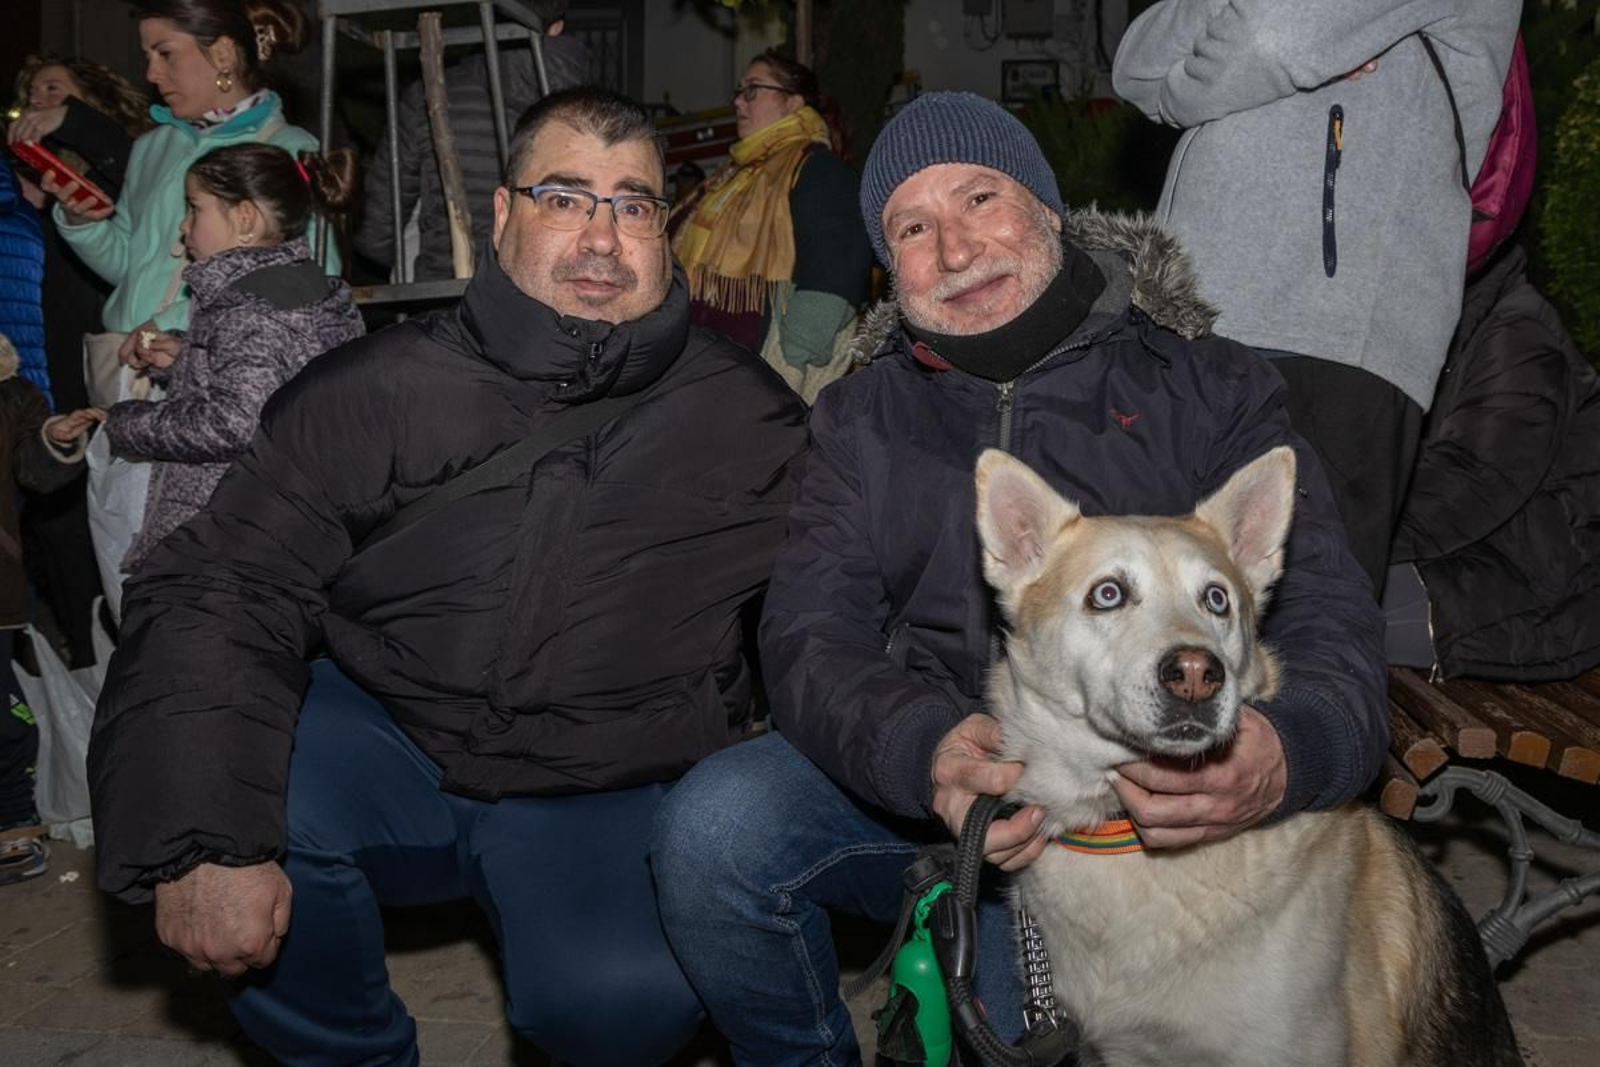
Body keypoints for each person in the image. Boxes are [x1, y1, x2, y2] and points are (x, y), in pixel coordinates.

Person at [651, 91, 1387, 1065]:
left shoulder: (1208, 389)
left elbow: (1333, 618)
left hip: (1137, 808)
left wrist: (1289, 749)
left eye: (980, 199)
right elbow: (806, 636)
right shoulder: (861, 418)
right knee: (713, 825)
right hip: (924, 784)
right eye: (913, 228)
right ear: (887, 265)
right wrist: (918, 745)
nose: (955, 251)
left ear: (1046, 208)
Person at [87, 88, 809, 1066]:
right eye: (564, 195)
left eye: (632, 203)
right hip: (396, 736)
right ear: (503, 213)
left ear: (662, 231)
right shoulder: (375, 390)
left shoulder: (747, 416)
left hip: (598, 773)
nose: (602, 233)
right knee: (245, 795)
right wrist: (203, 833)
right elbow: (221, 585)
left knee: (618, 1004)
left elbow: (840, 600)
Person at [1112, 0, 1523, 593]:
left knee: (1307, 624)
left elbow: (1273, 38)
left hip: (1327, 324)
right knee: (1173, 619)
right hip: (1197, 313)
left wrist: (1199, 77)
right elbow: (1135, 67)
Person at [33, 0, 338, 616]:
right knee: (124, 555)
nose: (150, 72)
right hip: (124, 373)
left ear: (223, 55)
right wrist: (80, 220)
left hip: (212, 382)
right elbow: (131, 266)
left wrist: (180, 339)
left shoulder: (289, 150)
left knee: (196, 564)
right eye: (147, 54)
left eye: (164, 53)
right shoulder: (153, 150)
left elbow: (305, 290)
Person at [47, 142, 364, 574]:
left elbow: (236, 422)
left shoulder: (250, 305)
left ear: (245, 219)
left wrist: (126, 422)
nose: (184, 225)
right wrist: (187, 358)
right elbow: (274, 382)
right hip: (277, 528)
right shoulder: (299, 286)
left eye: (195, 208)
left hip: (230, 537)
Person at [1382, 129, 1600, 680]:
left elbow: (1472, 483)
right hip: (1463, 575)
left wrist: (1333, 532)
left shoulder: (1520, 334)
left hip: (1526, 599)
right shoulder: (1439, 321)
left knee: (1296, 626)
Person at [9, 55, 153, 666]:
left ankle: (118, 668)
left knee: (103, 533)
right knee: (50, 539)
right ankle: (77, 668)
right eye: (31, 92)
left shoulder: (124, 171)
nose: (39, 99)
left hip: (93, 378)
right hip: (27, 391)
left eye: (56, 91)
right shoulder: (11, 187)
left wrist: (73, 125)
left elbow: (121, 157)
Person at [670, 49, 872, 404]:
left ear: (793, 103)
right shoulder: (735, 174)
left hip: (767, 377)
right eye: (738, 90)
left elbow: (836, 270)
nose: (737, 101)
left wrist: (793, 360)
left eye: (752, 90)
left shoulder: (817, 169)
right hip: (704, 370)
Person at [353, 0, 594, 282]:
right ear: (556, 27)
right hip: (548, 293)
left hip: (446, 295)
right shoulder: (591, 110)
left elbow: (376, 231)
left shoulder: (430, 93)